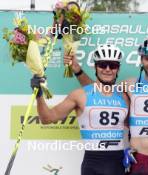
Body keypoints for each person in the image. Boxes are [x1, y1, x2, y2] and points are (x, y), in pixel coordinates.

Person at [64, 37, 148, 175]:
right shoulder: (129, 84)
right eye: (147, 59)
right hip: (137, 159)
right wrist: (77, 70)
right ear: (141, 60)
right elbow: (97, 90)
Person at [32, 44, 130, 175]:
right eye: (102, 64)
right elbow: (47, 118)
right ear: (95, 67)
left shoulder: (123, 96)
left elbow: (132, 127)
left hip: (118, 165)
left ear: (118, 69)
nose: (107, 69)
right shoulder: (79, 95)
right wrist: (38, 95)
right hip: (93, 164)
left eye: (112, 65)